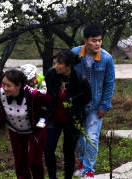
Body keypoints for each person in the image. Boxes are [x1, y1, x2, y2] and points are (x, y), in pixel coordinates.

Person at [72, 24, 115, 178]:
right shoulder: (75, 54)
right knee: (78, 138)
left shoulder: (107, 58)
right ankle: (82, 162)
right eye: (94, 40)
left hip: (96, 106)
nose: (97, 44)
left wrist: (104, 105)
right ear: (85, 41)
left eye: (100, 41)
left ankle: (89, 170)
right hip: (77, 105)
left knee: (91, 137)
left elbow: (110, 83)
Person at [0, 68, 52, 179]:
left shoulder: (33, 94)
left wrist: (43, 120)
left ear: (19, 85)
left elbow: (50, 103)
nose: (4, 88)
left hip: (35, 130)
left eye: (8, 86)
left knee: (34, 161)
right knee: (20, 161)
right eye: (3, 84)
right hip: (15, 129)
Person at [44, 50, 91, 179]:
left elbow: (87, 98)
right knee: (48, 150)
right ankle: (52, 177)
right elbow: (49, 94)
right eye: (55, 62)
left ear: (68, 65)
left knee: (68, 151)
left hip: (72, 120)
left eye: (59, 63)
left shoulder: (80, 80)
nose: (55, 66)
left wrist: (75, 108)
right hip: (54, 118)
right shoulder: (51, 75)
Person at [20, 63, 48, 128]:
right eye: (29, 80)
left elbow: (44, 90)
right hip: (30, 101)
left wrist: (40, 87)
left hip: (39, 98)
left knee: (43, 105)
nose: (32, 82)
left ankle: (42, 119)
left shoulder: (39, 78)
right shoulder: (24, 84)